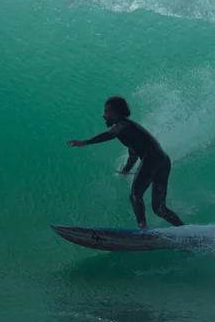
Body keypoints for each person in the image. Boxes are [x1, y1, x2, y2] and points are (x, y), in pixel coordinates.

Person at [67, 96, 184, 230]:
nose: (104, 116)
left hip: (152, 159)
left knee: (135, 195)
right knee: (159, 208)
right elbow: (133, 155)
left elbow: (110, 134)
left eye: (107, 112)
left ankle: (142, 226)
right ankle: (184, 230)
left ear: (115, 113)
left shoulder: (123, 125)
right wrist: (125, 171)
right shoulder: (129, 129)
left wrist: (85, 142)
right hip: (163, 160)